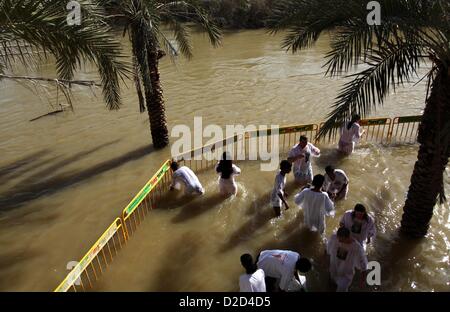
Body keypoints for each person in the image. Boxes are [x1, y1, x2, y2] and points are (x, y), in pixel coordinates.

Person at [327, 227, 368, 292]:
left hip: (345, 276)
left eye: (342, 240)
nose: (339, 241)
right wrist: (324, 261)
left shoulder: (357, 248)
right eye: (338, 239)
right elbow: (327, 250)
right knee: (330, 285)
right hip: (333, 270)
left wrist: (362, 281)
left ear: (348, 237)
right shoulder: (334, 238)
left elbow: (364, 266)